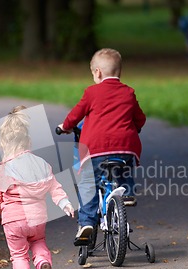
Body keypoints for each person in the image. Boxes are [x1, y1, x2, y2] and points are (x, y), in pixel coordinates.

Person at [57, 48, 146, 245]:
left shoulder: (91, 92)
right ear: (119, 72)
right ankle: (127, 192)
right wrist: (135, 128)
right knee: (123, 169)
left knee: (88, 183)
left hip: (96, 149)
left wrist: (64, 126)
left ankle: (87, 222)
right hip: (125, 147)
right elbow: (140, 118)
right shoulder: (128, 92)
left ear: (97, 72)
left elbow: (76, 115)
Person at [0, 105, 74, 269]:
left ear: (4, 144)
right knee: (38, 242)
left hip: (13, 219)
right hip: (37, 218)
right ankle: (42, 263)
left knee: (18, 254)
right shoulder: (41, 164)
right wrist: (65, 203)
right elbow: (54, 187)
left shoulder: (4, 168)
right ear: (28, 141)